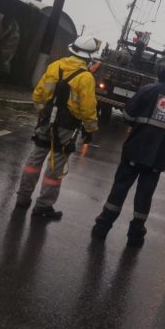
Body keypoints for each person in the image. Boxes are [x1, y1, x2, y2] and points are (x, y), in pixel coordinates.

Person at [91, 60, 165, 246]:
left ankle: (102, 228)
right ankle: (135, 235)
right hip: (157, 159)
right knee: (145, 195)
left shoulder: (146, 90)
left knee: (119, 188)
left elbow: (127, 116)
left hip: (133, 151)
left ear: (162, 73)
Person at [15, 36, 99, 220]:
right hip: (66, 129)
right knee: (55, 167)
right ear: (89, 57)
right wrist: (90, 130)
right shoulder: (86, 78)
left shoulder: (55, 66)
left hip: (45, 122)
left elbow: (38, 94)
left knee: (34, 159)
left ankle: (22, 198)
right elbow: (88, 108)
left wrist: (42, 114)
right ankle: (43, 206)